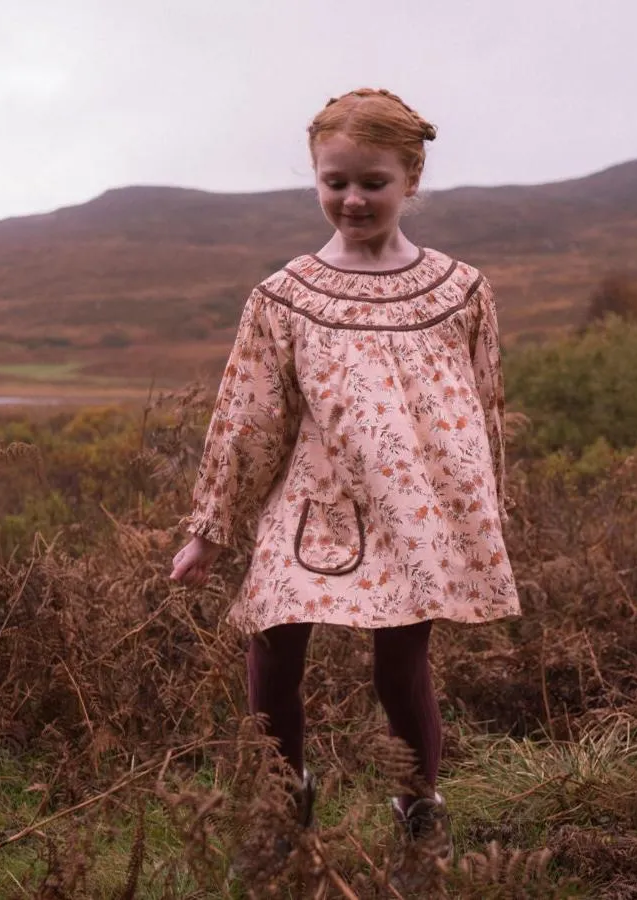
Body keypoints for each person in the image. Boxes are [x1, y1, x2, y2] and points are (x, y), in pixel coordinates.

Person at [170, 87, 520, 873]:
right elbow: (249, 416)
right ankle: (282, 809)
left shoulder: (461, 290)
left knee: (400, 669)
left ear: (412, 179)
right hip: (312, 505)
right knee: (272, 649)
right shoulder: (284, 295)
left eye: (373, 182)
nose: (352, 199)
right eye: (335, 182)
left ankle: (419, 815)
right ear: (315, 179)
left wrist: (482, 518)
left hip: (415, 513)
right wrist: (209, 528)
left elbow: (484, 409)